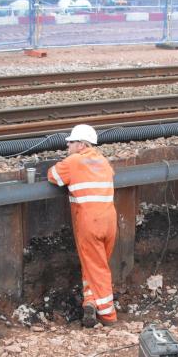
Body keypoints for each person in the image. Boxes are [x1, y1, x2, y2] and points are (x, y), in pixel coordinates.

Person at [47, 124, 118, 327]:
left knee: (97, 268)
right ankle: (91, 301)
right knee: (96, 264)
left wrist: (59, 165)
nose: (67, 146)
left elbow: (54, 176)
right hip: (109, 221)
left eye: (70, 142)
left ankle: (108, 315)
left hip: (90, 222)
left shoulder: (74, 161)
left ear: (80, 144)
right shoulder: (103, 161)